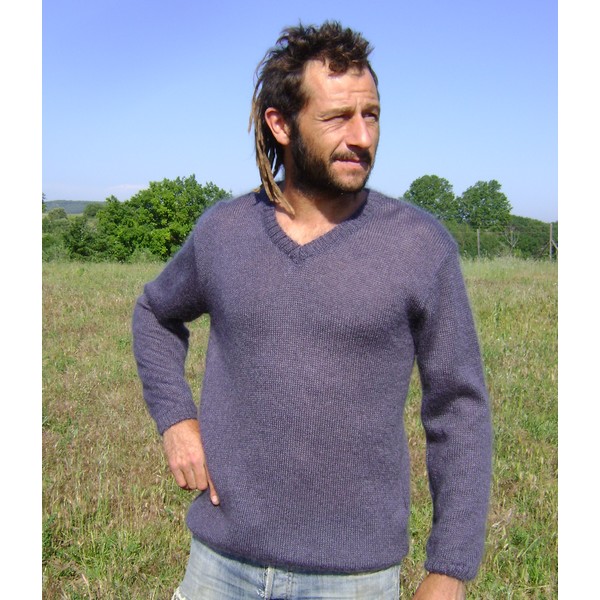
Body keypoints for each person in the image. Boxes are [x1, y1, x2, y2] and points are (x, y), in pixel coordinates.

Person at [132, 21, 492, 600]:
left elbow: (460, 408)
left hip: (353, 578)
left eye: (371, 115)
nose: (362, 136)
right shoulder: (224, 232)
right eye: (337, 117)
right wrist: (177, 420)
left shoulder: (420, 246)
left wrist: (449, 570)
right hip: (219, 566)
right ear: (280, 124)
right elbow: (155, 313)